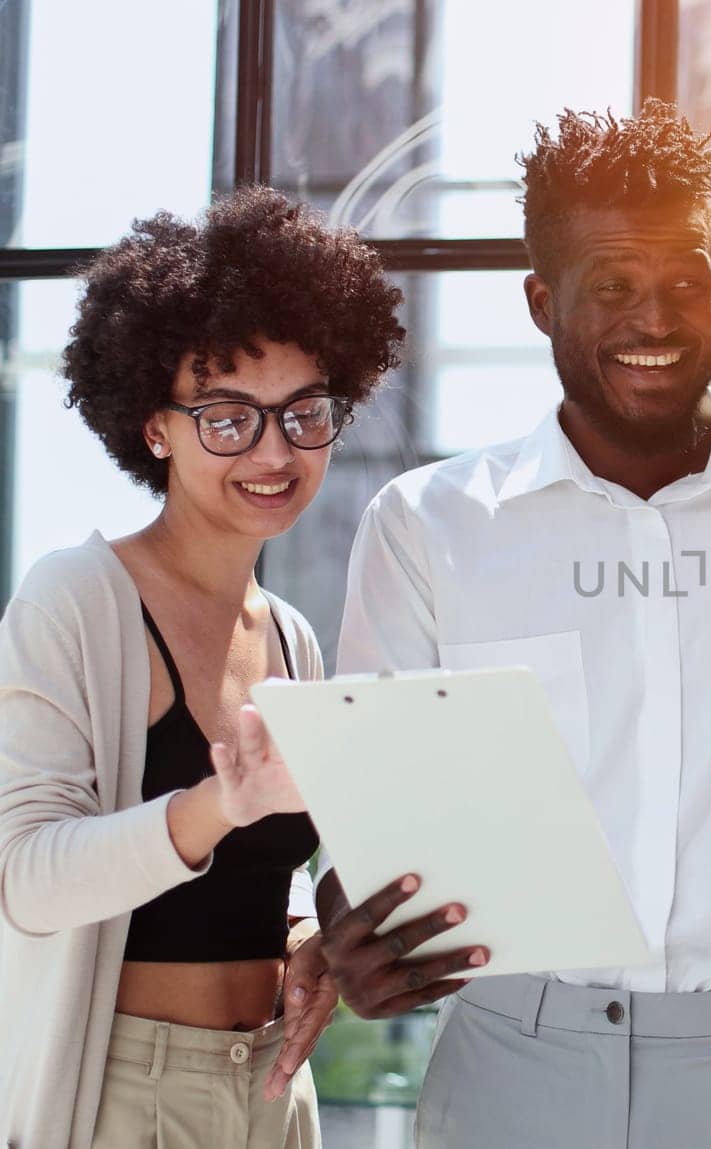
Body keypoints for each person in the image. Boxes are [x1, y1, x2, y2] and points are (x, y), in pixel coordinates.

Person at [313, 100, 711, 1148]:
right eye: (612, 289)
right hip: (511, 1067)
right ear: (542, 302)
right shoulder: (426, 525)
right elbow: (381, 829)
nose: (657, 322)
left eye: (686, 284)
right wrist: (356, 926)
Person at [0, 187, 405, 1148]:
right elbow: (26, 877)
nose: (274, 450)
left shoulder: (292, 636)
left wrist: (304, 938)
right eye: (229, 418)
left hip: (271, 1090)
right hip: (123, 1094)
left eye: (305, 412)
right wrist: (218, 803)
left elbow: (265, 876)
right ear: (155, 426)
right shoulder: (75, 599)